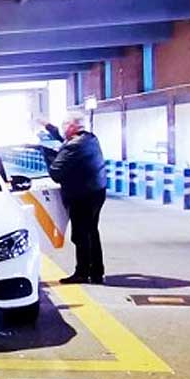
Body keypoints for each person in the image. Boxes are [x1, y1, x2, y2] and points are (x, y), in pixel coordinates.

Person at [46, 113, 108, 284]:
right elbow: (63, 138)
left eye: (65, 125)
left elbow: (56, 173)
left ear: (72, 127)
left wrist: (48, 155)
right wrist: (48, 126)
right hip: (97, 192)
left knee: (81, 235)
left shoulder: (73, 146)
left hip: (83, 196)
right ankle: (96, 272)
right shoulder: (90, 138)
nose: (63, 128)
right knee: (91, 232)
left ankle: (82, 272)